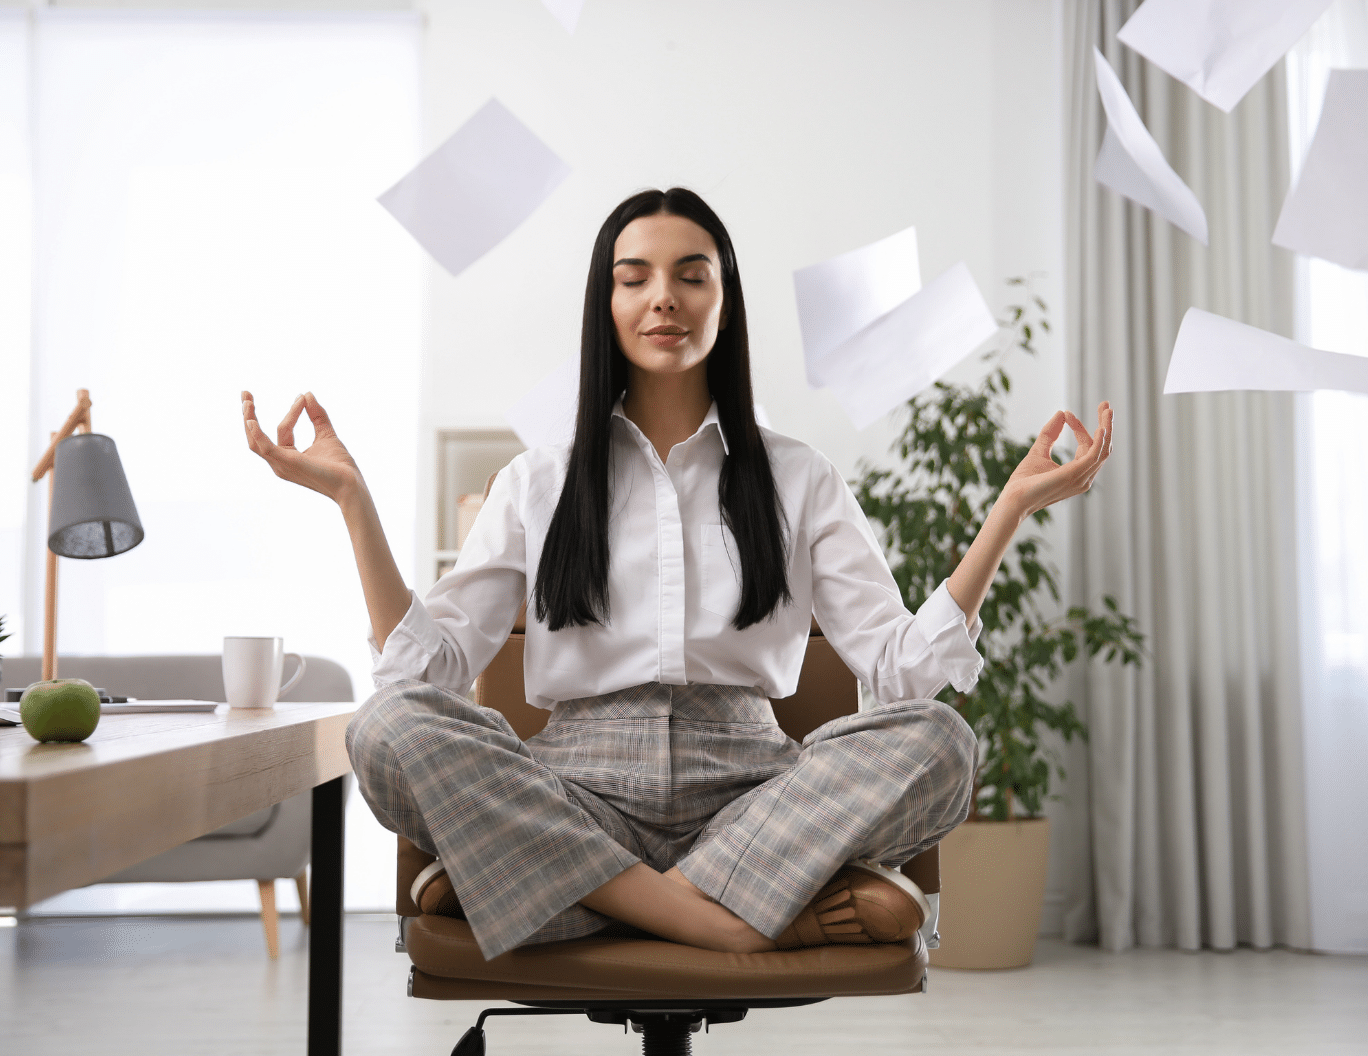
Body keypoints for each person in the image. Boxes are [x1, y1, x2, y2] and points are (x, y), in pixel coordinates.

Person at [242, 187, 1112, 963]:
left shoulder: (800, 476)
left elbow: (903, 674)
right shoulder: (537, 480)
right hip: (572, 793)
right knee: (388, 725)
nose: (665, 297)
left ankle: (562, 896)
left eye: (693, 276)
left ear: (725, 304)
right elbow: (425, 675)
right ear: (607, 304)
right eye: (636, 279)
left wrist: (1009, 512)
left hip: (753, 801)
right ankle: (732, 920)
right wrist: (353, 501)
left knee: (941, 743)